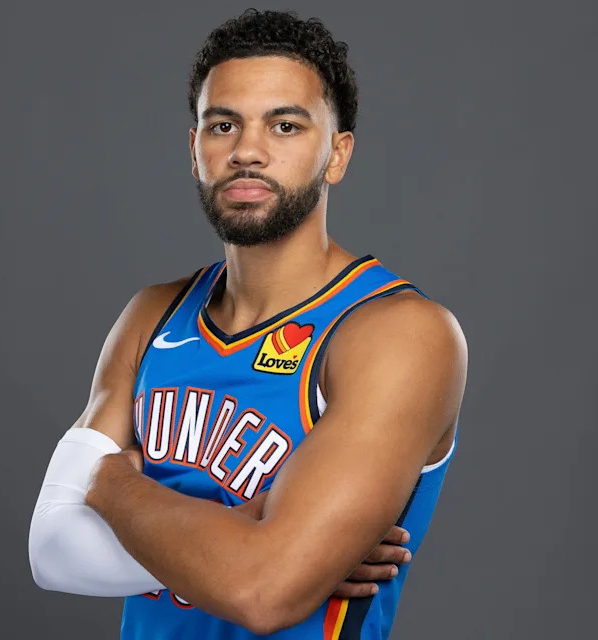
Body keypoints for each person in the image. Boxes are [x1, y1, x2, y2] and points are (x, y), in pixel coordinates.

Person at [28, 9, 467, 639]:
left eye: (285, 125)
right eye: (223, 124)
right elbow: (52, 549)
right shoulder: (152, 315)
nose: (247, 151)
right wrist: (246, 537)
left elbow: (263, 592)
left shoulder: (396, 332)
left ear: (336, 154)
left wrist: (112, 481)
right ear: (195, 149)